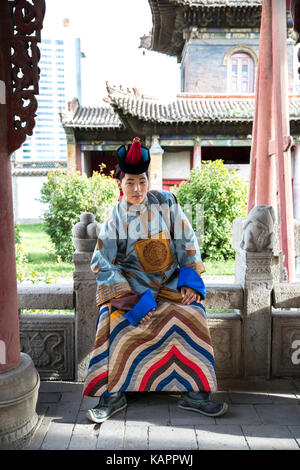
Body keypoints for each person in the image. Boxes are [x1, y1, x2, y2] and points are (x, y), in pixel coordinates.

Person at [84, 137, 228, 424]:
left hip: (170, 284)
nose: (137, 189)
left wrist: (188, 281)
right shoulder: (116, 217)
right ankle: (113, 394)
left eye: (142, 181)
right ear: (120, 185)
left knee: (193, 313)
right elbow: (100, 262)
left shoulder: (166, 203)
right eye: (130, 183)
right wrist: (129, 298)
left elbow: (187, 240)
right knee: (115, 320)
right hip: (134, 288)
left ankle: (195, 393)